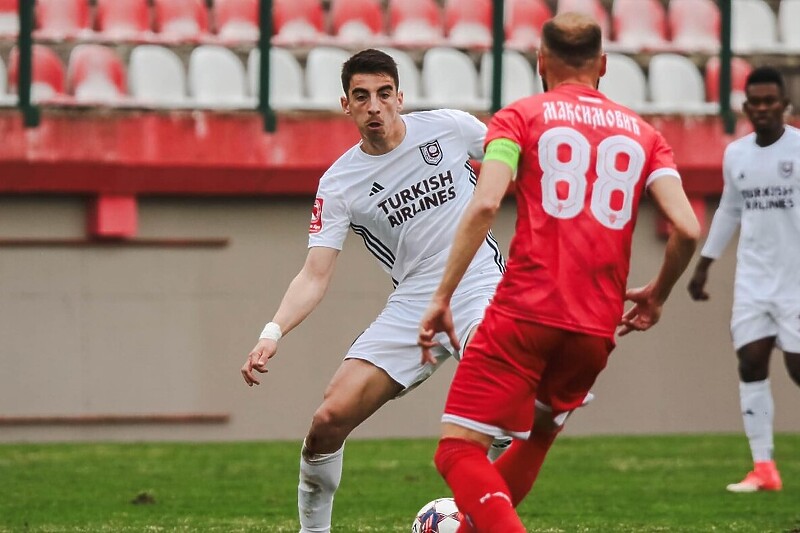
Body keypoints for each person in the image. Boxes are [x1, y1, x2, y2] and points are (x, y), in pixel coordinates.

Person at [418, 13, 700, 532]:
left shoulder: (519, 118)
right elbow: (686, 227)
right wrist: (657, 294)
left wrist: (442, 295)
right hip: (596, 325)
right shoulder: (645, 135)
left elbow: (484, 206)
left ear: (540, 61)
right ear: (604, 64)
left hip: (524, 312)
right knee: (539, 435)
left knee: (457, 451)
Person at [240, 48, 508, 533]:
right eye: (361, 96)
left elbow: (514, 162)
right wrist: (272, 332)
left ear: (400, 96)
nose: (374, 106)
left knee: (500, 399)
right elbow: (314, 275)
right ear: (346, 104)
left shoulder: (450, 128)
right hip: (414, 303)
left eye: (384, 94)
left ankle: (479, 509)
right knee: (327, 420)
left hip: (479, 283)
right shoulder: (340, 183)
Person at [687, 66, 800, 493]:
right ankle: (764, 467)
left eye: (772, 101)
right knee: (751, 361)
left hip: (796, 281)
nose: (764, 108)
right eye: (756, 102)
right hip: (754, 279)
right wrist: (704, 263)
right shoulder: (737, 154)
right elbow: (730, 208)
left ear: (784, 105)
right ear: (746, 106)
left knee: (796, 367)